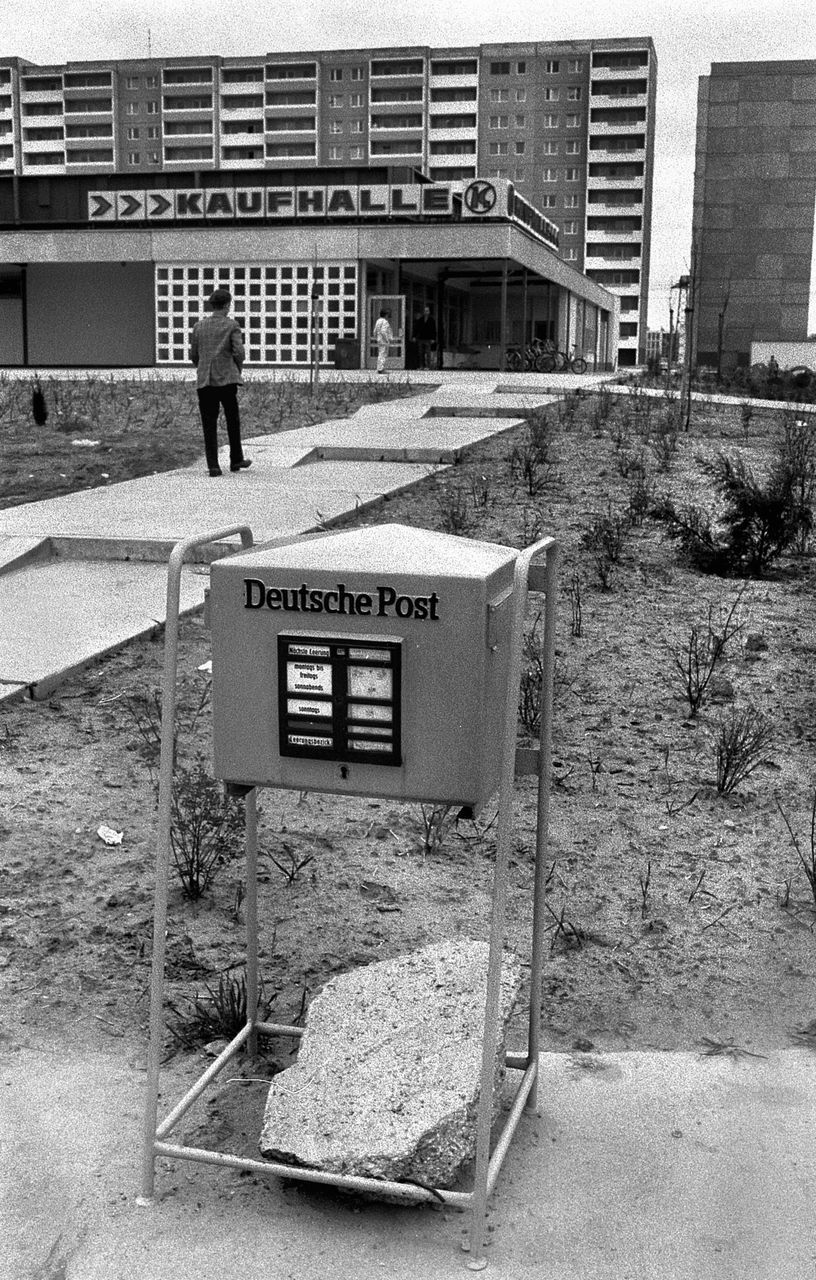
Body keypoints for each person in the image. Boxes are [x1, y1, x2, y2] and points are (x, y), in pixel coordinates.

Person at [190, 288, 252, 477]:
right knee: (233, 420)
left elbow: (194, 355)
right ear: (227, 305)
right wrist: (237, 369)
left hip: (205, 381)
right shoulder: (232, 325)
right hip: (227, 380)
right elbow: (239, 352)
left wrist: (202, 367)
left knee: (209, 423)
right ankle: (236, 459)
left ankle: (213, 466)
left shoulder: (198, 326)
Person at [413, 305, 437, 370]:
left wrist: (433, 338)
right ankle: (421, 366)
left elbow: (433, 330)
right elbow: (416, 328)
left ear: (429, 312)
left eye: (427, 311)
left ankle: (428, 366)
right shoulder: (420, 320)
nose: (426, 312)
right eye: (425, 311)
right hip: (421, 338)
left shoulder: (432, 320)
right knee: (420, 353)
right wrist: (414, 336)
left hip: (428, 338)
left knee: (428, 353)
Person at [372, 309, 393, 374]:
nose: (388, 315)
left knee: (380, 354)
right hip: (383, 340)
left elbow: (374, 331)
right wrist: (387, 339)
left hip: (379, 339)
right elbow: (383, 331)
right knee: (383, 354)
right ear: (385, 315)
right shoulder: (385, 322)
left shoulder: (378, 321)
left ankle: (380, 368)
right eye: (387, 314)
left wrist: (376, 337)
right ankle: (381, 369)